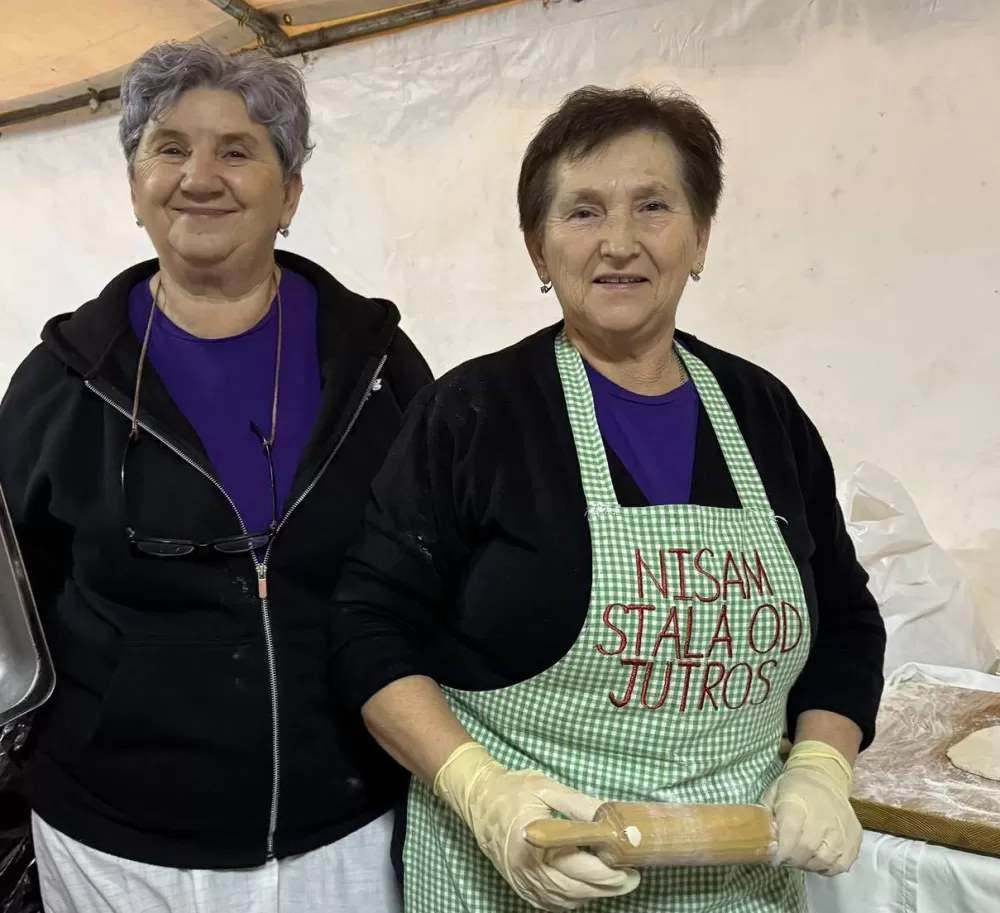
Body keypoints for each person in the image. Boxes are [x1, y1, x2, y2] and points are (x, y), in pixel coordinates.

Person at [330, 86, 887, 912]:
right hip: (521, 873)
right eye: (582, 212)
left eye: (653, 206)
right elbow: (365, 630)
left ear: (700, 236)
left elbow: (845, 618)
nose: (619, 243)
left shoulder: (763, 412)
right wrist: (486, 792)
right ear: (537, 248)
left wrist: (820, 764)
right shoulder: (474, 413)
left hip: (732, 881)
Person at [0, 41, 432, 913]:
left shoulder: (377, 364)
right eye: (167, 148)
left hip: (342, 825)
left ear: (291, 192)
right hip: (114, 841)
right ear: (134, 186)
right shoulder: (61, 380)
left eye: (237, 149)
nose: (200, 176)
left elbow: (426, 571)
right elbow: (20, 603)